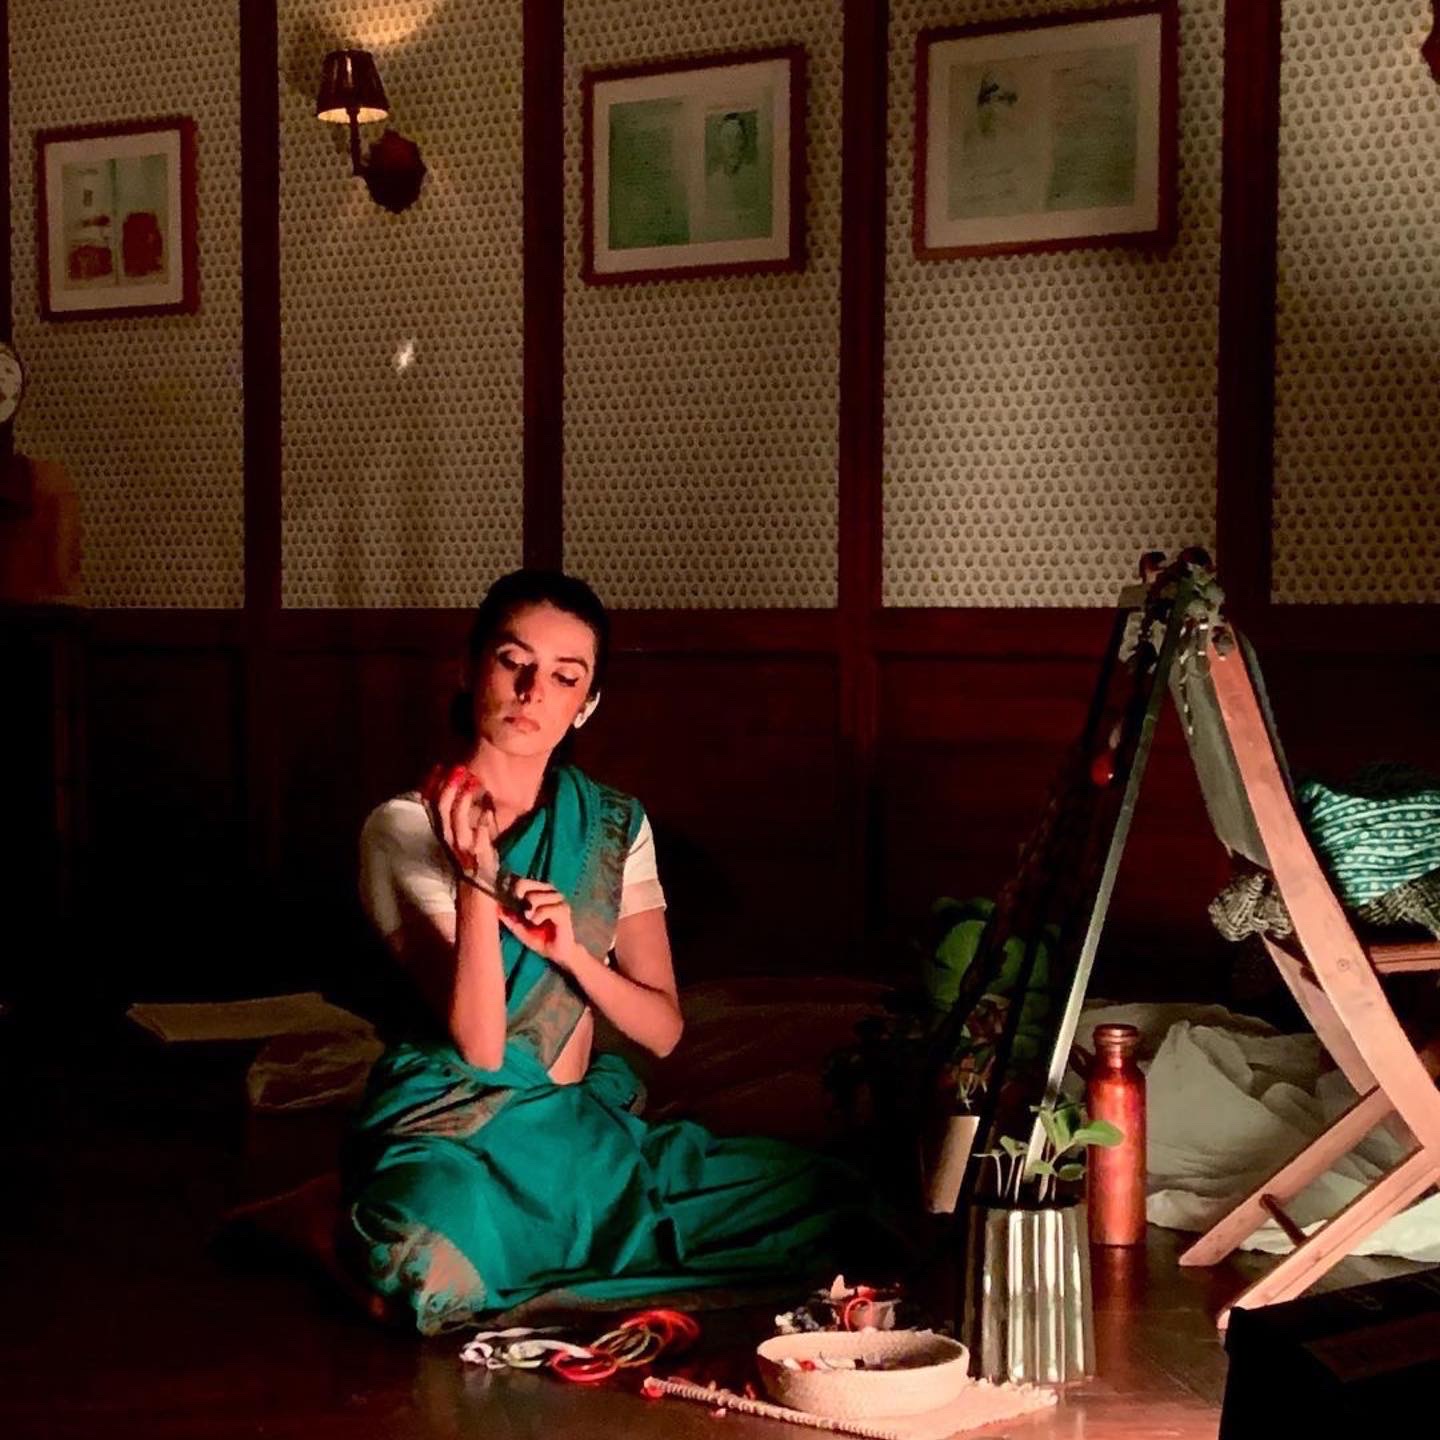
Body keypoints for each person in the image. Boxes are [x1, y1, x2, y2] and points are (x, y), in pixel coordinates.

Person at [343, 569, 885, 1333]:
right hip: (463, 1131)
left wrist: (573, 955)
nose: (533, 692)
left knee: (829, 1195)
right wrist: (475, 880)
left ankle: (558, 1237)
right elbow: (484, 1046)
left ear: (587, 703)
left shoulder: (610, 826)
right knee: (428, 1259)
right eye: (513, 662)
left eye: (565, 677)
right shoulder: (404, 827)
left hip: (574, 1133)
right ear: (468, 670)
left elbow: (663, 1031)